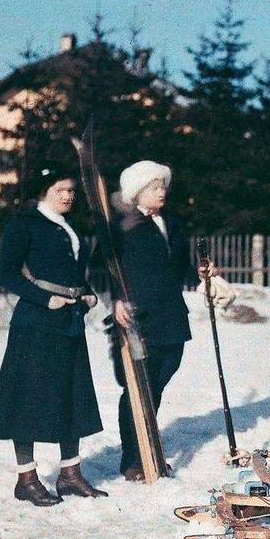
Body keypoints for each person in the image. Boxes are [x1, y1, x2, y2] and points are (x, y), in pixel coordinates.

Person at [0, 165, 106, 505]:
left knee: (72, 394)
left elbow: (73, 270)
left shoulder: (72, 226)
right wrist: (44, 298)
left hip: (70, 320)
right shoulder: (24, 224)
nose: (69, 196)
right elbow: (7, 275)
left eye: (71, 190)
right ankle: (26, 479)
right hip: (35, 324)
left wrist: (87, 292)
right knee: (28, 399)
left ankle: (70, 474)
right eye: (61, 190)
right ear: (44, 192)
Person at [109, 160, 234, 481]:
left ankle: (147, 446)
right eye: (154, 186)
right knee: (137, 388)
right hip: (138, 316)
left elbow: (179, 270)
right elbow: (104, 268)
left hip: (171, 315)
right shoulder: (122, 227)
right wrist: (116, 299)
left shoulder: (173, 224)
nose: (161, 191)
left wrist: (200, 273)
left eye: (163, 185)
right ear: (138, 192)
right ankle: (133, 458)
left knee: (159, 381)